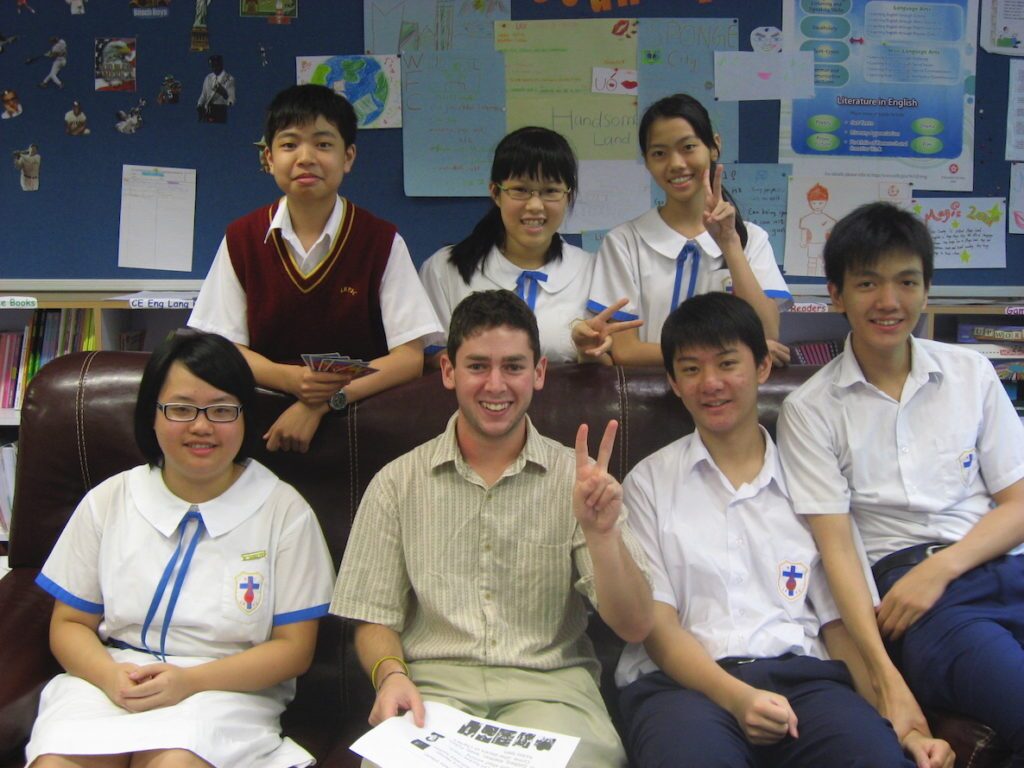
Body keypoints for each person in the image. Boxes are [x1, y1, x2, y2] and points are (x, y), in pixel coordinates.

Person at [615, 292, 951, 768]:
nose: (711, 383)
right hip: (682, 688)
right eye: (690, 370)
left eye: (728, 363)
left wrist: (901, 725)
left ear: (762, 368)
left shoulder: (811, 482)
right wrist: (738, 699)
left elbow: (839, 625)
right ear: (672, 382)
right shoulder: (647, 484)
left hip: (806, 683)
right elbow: (659, 630)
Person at [331, 289, 653, 768]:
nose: (496, 385)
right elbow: (373, 615)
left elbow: (635, 624)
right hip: (434, 693)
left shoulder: (580, 483)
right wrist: (390, 676)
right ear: (448, 372)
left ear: (539, 373)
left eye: (514, 367)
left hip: (553, 694)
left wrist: (603, 535)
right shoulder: (396, 483)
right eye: (478, 366)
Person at [777, 202, 1024, 763]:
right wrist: (885, 679)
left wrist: (943, 567)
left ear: (926, 289)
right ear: (837, 295)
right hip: (923, 610)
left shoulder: (971, 373)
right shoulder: (810, 409)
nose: (889, 302)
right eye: (868, 283)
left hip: (996, 566)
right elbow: (835, 551)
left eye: (906, 282)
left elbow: (1019, 503)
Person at [25, 329, 335, 768]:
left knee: (174, 763)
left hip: (222, 689)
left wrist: (189, 682)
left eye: (222, 410)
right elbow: (71, 622)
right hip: (109, 677)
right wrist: (110, 676)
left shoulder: (283, 511)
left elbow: (293, 649)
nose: (202, 426)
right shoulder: (110, 500)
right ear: (151, 415)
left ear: (245, 418)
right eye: (181, 409)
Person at [189, 84, 441, 453]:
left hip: (362, 426)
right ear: (268, 159)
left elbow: (408, 360)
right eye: (289, 144)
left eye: (323, 144)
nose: (305, 158)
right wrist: (290, 379)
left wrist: (319, 402)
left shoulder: (381, 240)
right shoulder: (241, 238)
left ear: (348, 157)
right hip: (264, 428)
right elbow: (222, 348)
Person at [581, 93, 792, 367]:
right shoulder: (624, 243)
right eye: (659, 153)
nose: (676, 164)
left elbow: (767, 334)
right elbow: (626, 351)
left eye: (688, 147)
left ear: (714, 147)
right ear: (646, 161)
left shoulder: (750, 239)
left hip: (725, 401)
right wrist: (724, 352)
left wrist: (729, 242)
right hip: (646, 402)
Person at [419, 127, 638, 364]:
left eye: (551, 191)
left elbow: (605, 371)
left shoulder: (593, 271)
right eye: (520, 190)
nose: (535, 205)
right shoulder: (445, 269)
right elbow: (432, 362)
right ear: (495, 192)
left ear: (568, 195)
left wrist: (587, 353)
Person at [196, 54, 234, 123]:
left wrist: (224, 93)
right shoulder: (208, 78)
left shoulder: (229, 79)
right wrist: (199, 105)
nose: (214, 67)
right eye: (212, 65)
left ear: (221, 64)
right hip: (207, 110)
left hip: (220, 111)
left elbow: (231, 100)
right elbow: (203, 95)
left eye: (216, 65)